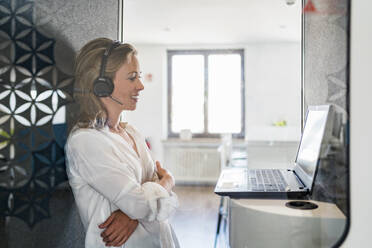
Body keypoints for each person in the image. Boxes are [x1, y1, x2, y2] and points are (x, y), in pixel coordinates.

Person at [65, 38, 179, 248]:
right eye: (132, 77)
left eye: (140, 77)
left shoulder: (132, 133)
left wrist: (134, 213)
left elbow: (154, 202)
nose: (141, 85)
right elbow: (142, 203)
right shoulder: (86, 141)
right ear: (101, 85)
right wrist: (168, 181)